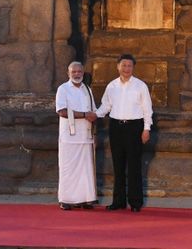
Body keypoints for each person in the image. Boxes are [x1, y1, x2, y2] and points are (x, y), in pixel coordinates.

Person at [95, 53, 153, 212]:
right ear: (118, 67)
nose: (126, 68)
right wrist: (94, 115)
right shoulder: (111, 86)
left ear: (133, 68)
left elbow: (147, 109)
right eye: (124, 65)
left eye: (129, 66)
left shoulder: (140, 86)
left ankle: (135, 202)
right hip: (116, 127)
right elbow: (105, 106)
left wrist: (146, 129)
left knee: (134, 165)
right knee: (118, 165)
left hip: (135, 127)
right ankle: (118, 201)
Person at [55, 61, 98, 211]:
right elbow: (62, 111)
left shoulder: (87, 89)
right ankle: (65, 199)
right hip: (69, 136)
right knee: (68, 168)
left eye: (79, 71)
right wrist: (85, 115)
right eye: (74, 72)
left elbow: (94, 112)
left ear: (83, 73)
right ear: (68, 73)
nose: (77, 74)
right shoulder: (63, 89)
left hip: (86, 135)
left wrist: (95, 133)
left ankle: (85, 199)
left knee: (85, 170)